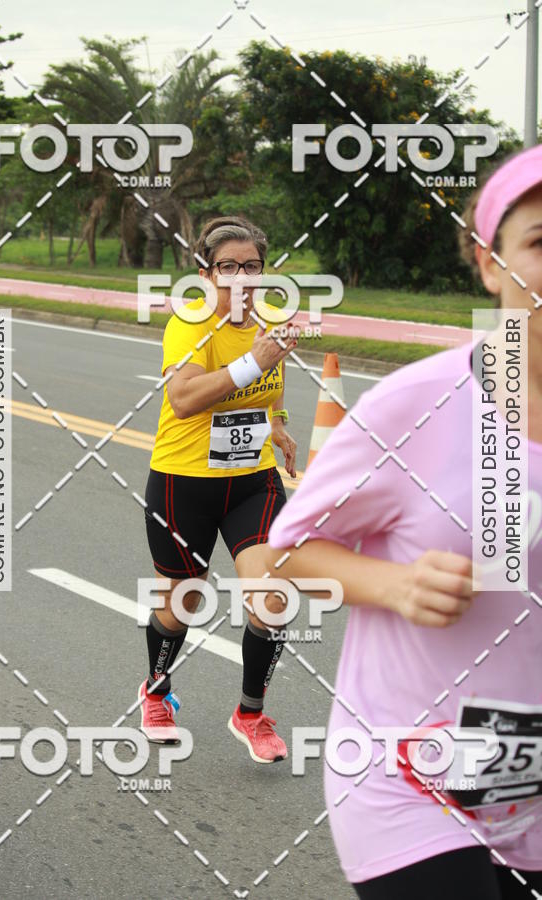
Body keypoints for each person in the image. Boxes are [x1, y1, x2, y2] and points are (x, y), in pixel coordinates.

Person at [266, 144, 542, 897]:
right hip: (409, 781)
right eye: (541, 242)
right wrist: (394, 585)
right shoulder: (418, 403)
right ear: (491, 265)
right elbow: (282, 559)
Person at [140, 215, 298, 763]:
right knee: (181, 603)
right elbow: (183, 399)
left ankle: (250, 713)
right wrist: (253, 359)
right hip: (184, 482)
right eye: (227, 267)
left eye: (251, 267)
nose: (240, 278)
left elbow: (272, 382)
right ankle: (156, 691)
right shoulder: (191, 324)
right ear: (206, 274)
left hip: (251, 482)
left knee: (274, 598)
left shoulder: (270, 319)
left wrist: (276, 425)